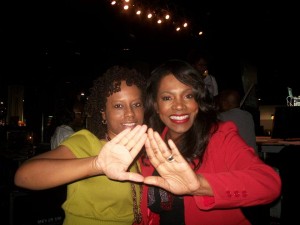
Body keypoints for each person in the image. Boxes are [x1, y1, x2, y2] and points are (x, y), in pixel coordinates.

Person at [139, 59, 281, 225]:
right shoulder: (150, 145)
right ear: (156, 105)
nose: (179, 106)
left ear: (198, 102)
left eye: (188, 95)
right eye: (167, 98)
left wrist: (199, 185)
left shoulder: (219, 136)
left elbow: (268, 183)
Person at [14, 65, 148, 225]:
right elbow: (24, 176)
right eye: (118, 106)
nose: (130, 113)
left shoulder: (146, 150)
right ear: (103, 113)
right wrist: (96, 164)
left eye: (136, 104)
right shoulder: (86, 143)